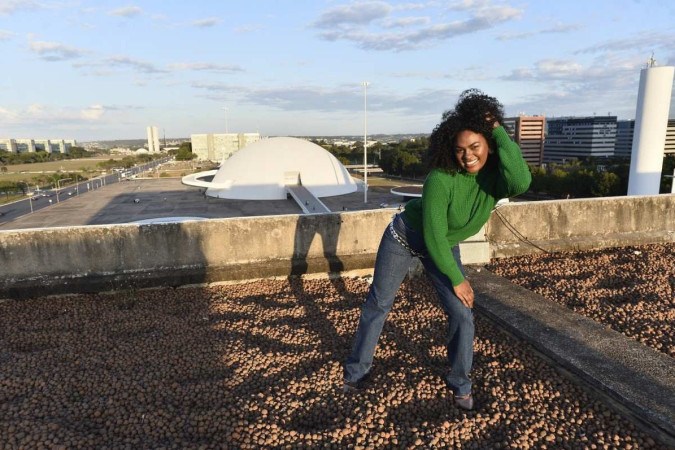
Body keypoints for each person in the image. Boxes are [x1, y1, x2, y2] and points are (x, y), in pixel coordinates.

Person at [343, 89, 532, 410]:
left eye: (476, 146)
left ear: (489, 145)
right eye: (460, 149)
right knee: (379, 304)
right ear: (449, 149)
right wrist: (458, 278)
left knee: (462, 313)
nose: (468, 155)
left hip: (442, 245)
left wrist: (498, 128)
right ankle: (356, 371)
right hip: (403, 239)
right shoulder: (441, 179)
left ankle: (460, 381)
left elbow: (521, 181)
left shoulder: (494, 180)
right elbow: (432, 234)